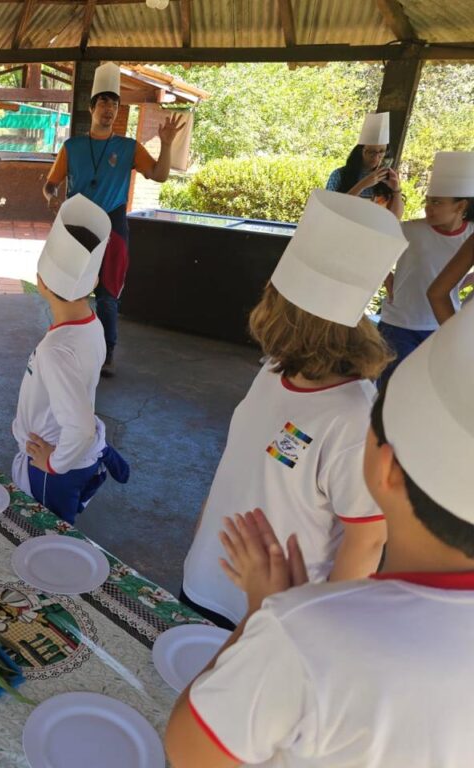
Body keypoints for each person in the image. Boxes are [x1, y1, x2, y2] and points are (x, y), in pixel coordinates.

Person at [165, 304, 474, 767]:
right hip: (215, 586)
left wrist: (262, 615)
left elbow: (188, 749)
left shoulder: (301, 635)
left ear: (386, 467)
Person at [180, 189, 408, 628]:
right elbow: (241, 461)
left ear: (284, 313)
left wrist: (315, 629)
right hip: (204, 582)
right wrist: (205, 529)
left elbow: (367, 539)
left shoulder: (354, 418)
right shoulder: (274, 369)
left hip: (272, 617)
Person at [43, 62, 185, 378]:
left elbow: (159, 175)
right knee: (70, 290)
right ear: (92, 108)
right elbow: (51, 183)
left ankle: (107, 353)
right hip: (77, 227)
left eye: (114, 104)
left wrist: (165, 144)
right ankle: (67, 346)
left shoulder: (128, 147)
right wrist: (50, 194)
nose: (109, 109)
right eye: (104, 102)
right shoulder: (72, 147)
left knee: (108, 297)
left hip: (113, 226)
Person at [11, 195, 129, 525]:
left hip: (53, 468)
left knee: (45, 536)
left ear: (41, 281)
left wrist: (54, 463)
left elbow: (81, 429)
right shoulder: (92, 324)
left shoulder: (55, 350)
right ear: (94, 281)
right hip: (73, 460)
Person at [378, 151, 474, 386]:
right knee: (390, 388)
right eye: (428, 201)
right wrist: (388, 280)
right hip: (399, 323)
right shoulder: (411, 230)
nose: (429, 208)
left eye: (437, 202)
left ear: (461, 205)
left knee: (425, 388)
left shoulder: (470, 236)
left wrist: (464, 281)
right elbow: (373, 250)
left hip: (441, 325)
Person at [325, 111, 404, 219]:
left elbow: (395, 217)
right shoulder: (339, 175)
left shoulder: (388, 178)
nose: (376, 157)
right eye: (371, 152)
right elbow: (330, 210)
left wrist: (396, 189)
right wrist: (362, 185)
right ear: (360, 150)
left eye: (381, 152)